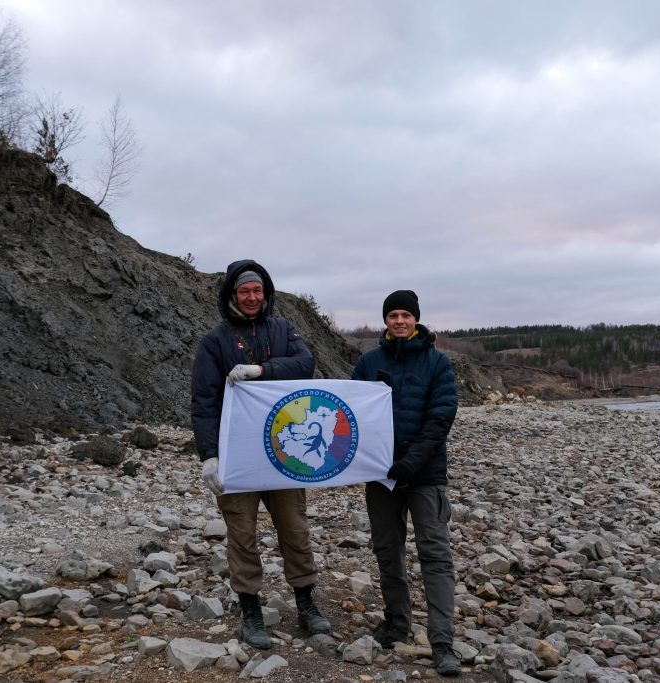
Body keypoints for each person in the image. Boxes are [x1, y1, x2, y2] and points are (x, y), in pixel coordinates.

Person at [191, 259, 331, 649]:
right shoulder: (214, 342)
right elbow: (204, 403)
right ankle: (250, 610)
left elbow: (305, 364)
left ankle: (306, 603)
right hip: (237, 455)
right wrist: (209, 455)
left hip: (285, 452)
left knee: (295, 529)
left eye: (257, 291)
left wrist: (261, 370)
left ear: (265, 293)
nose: (252, 298)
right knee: (242, 534)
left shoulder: (283, 330)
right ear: (232, 295)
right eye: (244, 291)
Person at [351, 289, 461, 677]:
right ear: (385, 320)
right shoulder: (369, 362)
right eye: (393, 315)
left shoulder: (438, 363)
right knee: (387, 549)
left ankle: (442, 641)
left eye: (405, 315)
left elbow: (440, 417)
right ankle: (397, 623)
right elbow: (350, 413)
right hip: (381, 476)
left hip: (425, 475)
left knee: (435, 554)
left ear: (416, 319)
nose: (399, 321)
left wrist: (411, 462)